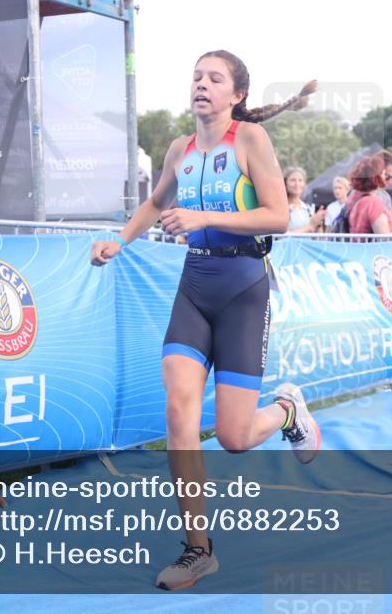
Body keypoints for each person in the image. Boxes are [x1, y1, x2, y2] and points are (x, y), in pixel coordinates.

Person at [89, 50, 319, 591]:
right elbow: (154, 203)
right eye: (196, 76)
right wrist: (119, 241)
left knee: (235, 437)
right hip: (195, 287)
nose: (202, 84)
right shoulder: (180, 149)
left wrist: (202, 216)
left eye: (215, 78)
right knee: (179, 412)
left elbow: (278, 217)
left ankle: (287, 411)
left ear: (236, 95)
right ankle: (198, 549)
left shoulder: (250, 140)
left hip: (243, 290)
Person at [344, 154, 392, 234]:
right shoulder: (374, 203)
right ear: (377, 177)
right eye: (384, 174)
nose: (388, 180)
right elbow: (384, 239)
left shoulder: (354, 199)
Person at [284, 166, 325, 232]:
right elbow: (282, 236)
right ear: (285, 184)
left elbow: (319, 236)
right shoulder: (282, 208)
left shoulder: (308, 208)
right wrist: (310, 226)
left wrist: (318, 224)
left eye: (300, 180)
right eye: (293, 180)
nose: (297, 184)